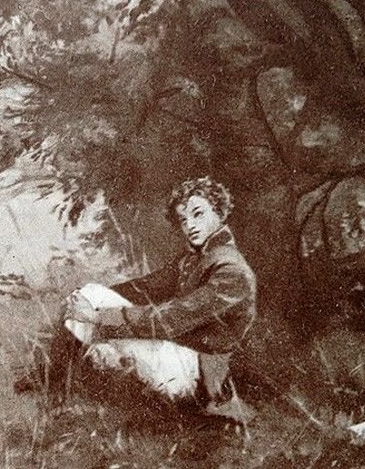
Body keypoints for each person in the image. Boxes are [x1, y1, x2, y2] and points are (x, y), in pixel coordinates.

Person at [16, 176, 257, 422]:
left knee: (96, 320)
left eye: (198, 214)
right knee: (88, 294)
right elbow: (144, 288)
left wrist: (97, 315)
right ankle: (55, 378)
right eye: (184, 219)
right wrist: (91, 298)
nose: (190, 225)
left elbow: (169, 320)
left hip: (198, 375)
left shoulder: (231, 269)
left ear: (219, 212)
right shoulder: (193, 259)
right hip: (179, 353)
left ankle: (56, 383)